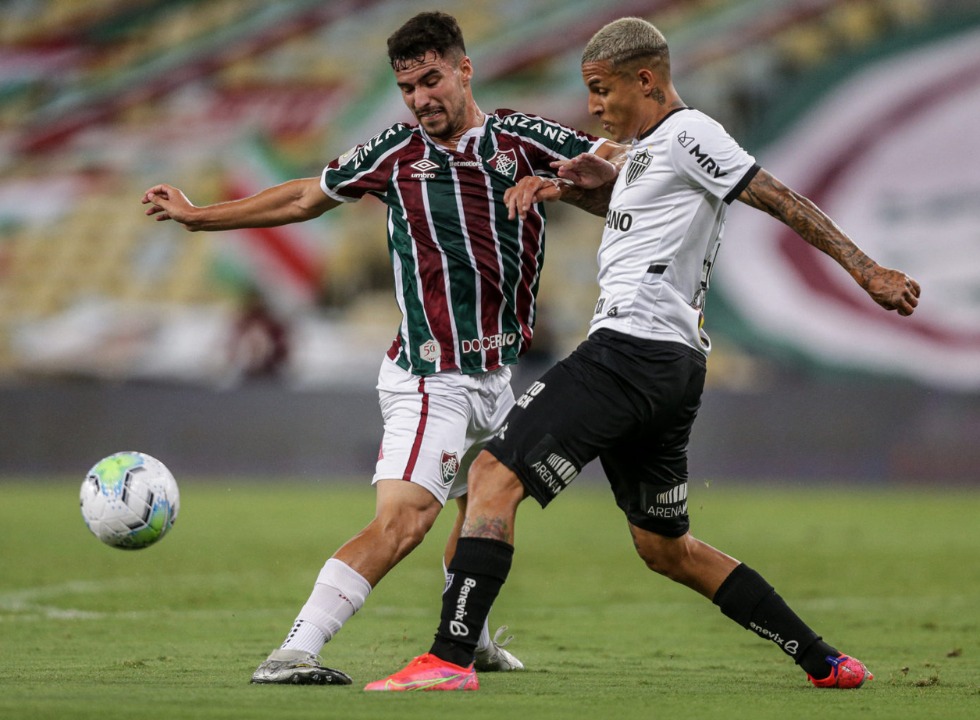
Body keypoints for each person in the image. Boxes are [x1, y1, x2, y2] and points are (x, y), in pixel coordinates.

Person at [366, 17, 921, 692]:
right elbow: (646, 217)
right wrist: (562, 186)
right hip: (672, 366)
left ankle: (449, 659)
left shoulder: (690, 133)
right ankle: (825, 661)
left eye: (602, 91)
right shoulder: (651, 152)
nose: (595, 107)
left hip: (632, 349)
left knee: (491, 475)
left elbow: (774, 194)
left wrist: (867, 271)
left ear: (646, 79)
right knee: (667, 548)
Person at [142, 12, 621, 685]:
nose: (422, 98)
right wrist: (201, 217)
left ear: (464, 69)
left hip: (496, 375)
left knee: (484, 508)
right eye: (407, 87)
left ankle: (473, 638)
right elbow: (307, 196)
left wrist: (564, 183)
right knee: (403, 522)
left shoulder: (519, 137)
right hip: (432, 375)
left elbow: (614, 166)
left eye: (431, 79)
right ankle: (294, 651)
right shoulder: (396, 154)